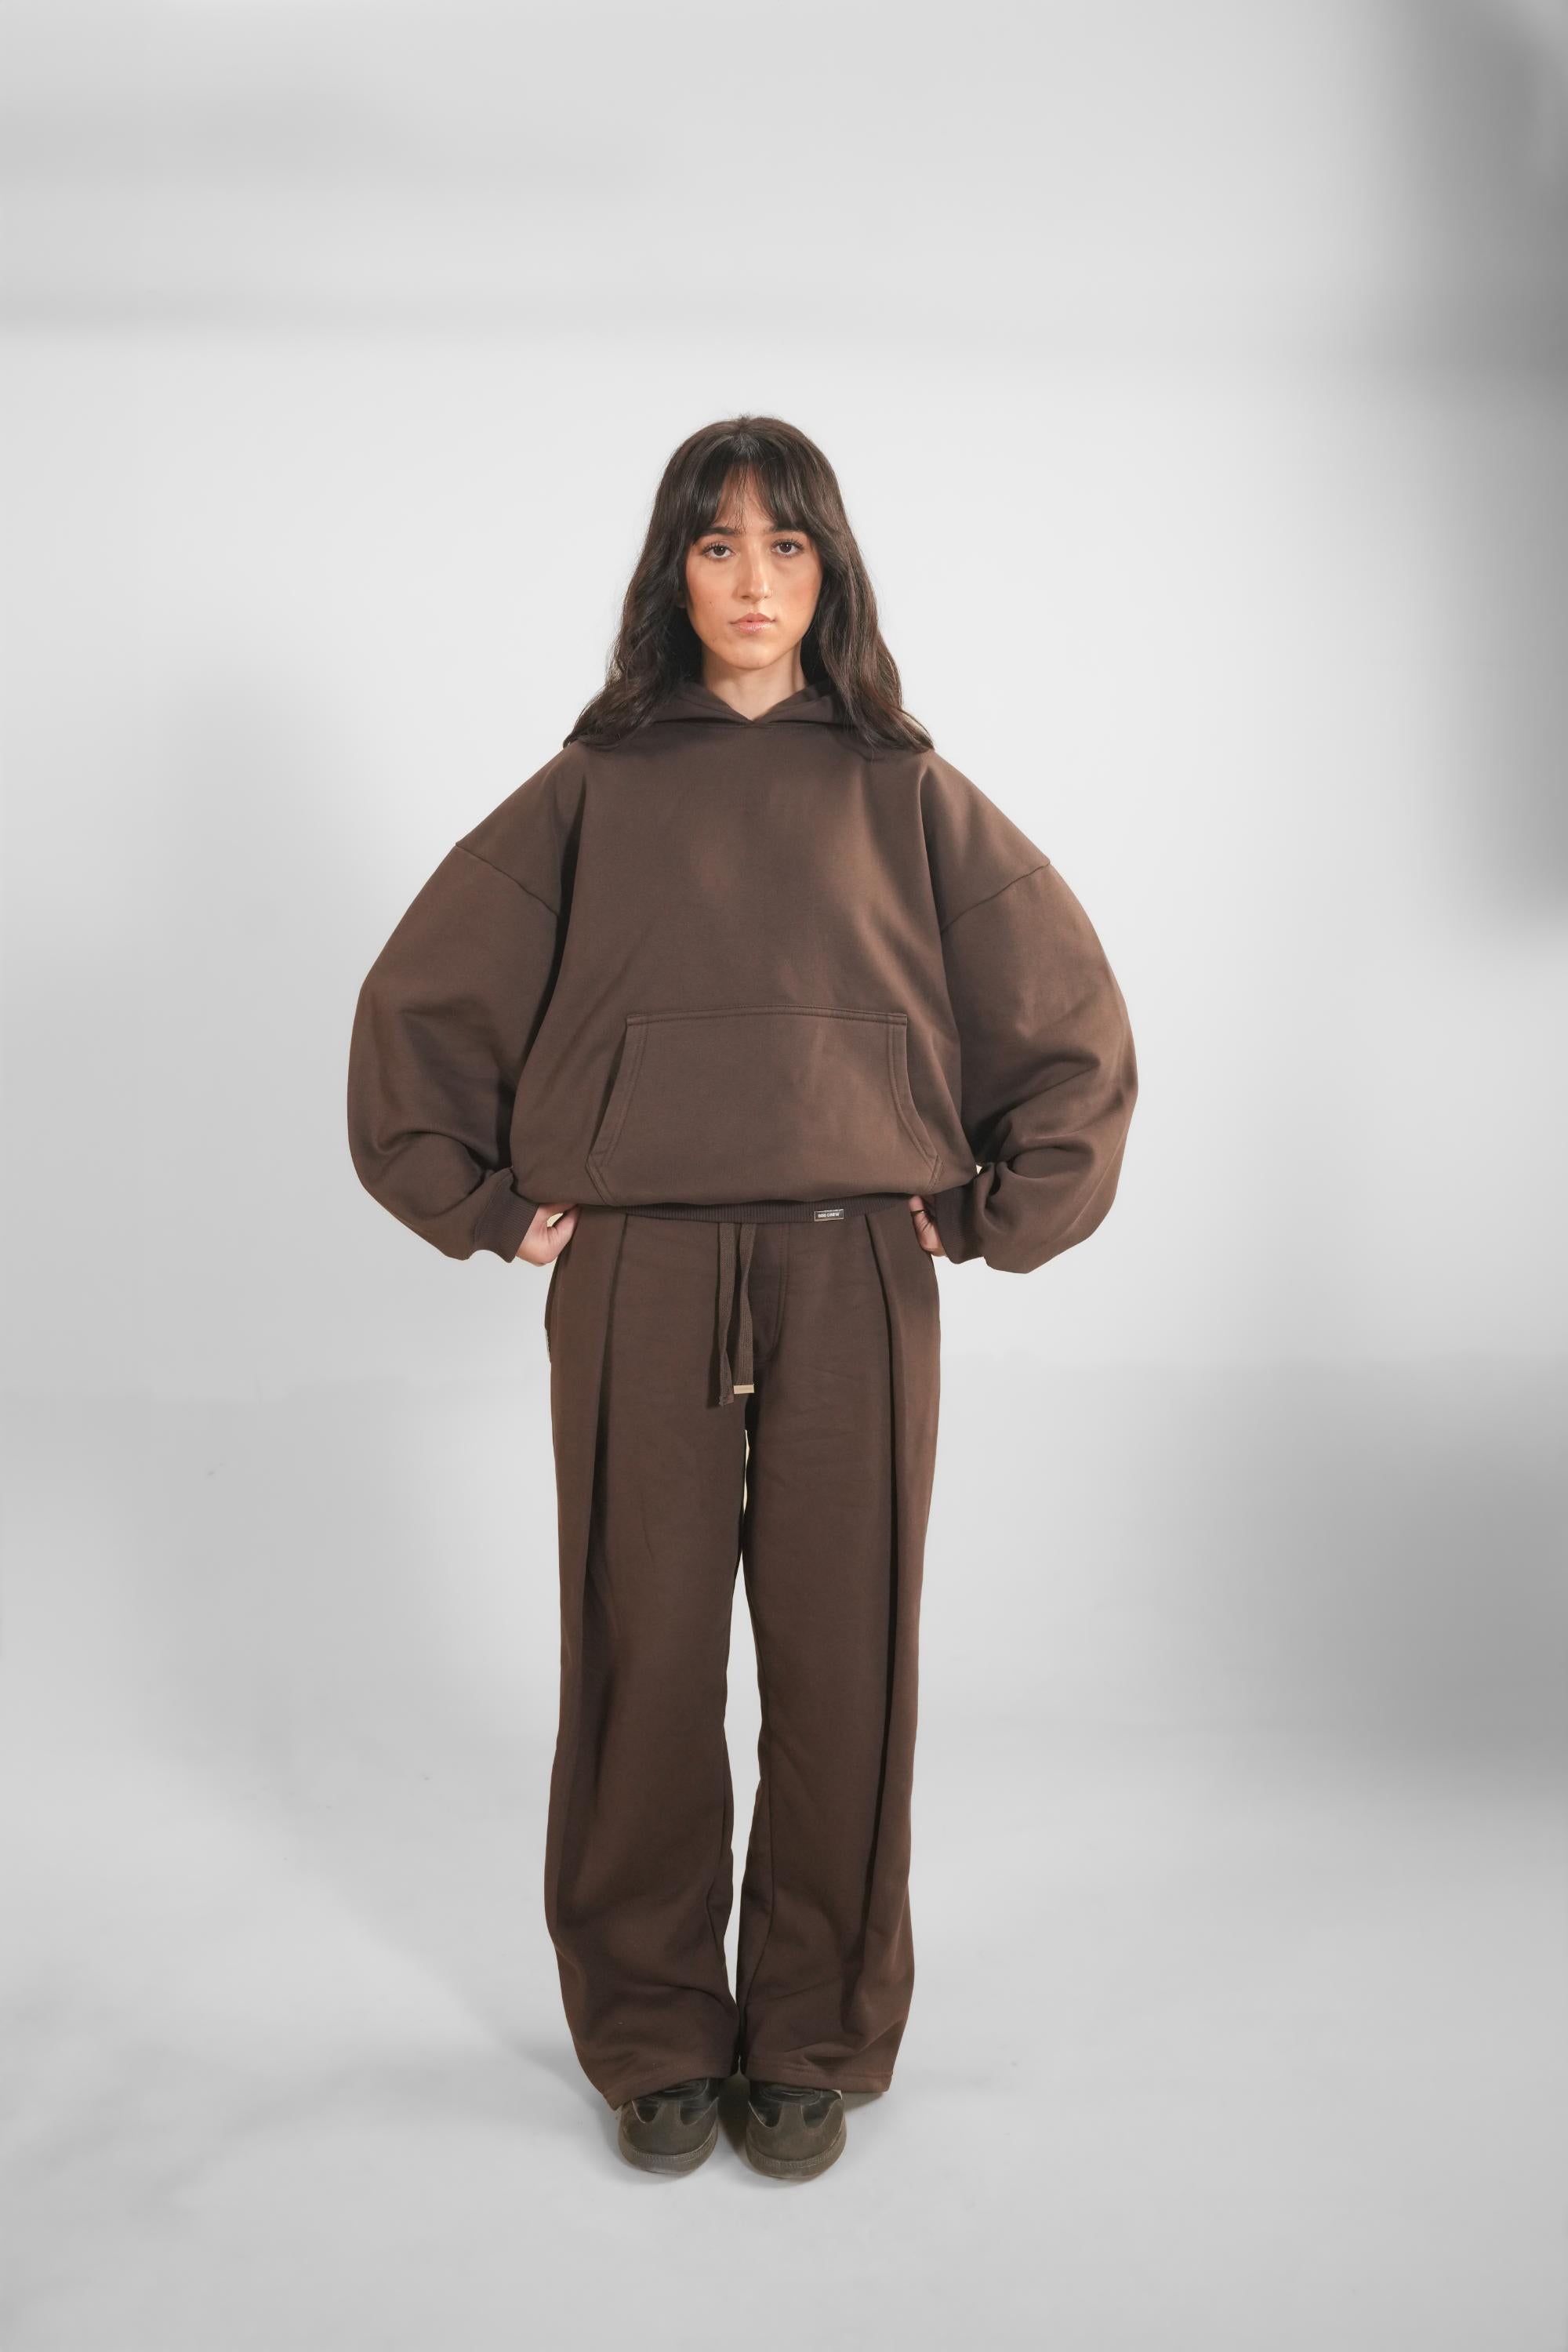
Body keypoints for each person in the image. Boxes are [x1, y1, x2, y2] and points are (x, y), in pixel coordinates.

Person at [346, 414, 1138, 2182]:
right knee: (641, 1653)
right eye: (718, 544)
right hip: (637, 1264)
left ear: (832, 571)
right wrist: (486, 1208)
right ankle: (650, 2034)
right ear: (672, 573)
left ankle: (815, 2032)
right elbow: (419, 1005)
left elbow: (1069, 1022)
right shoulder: (594, 786)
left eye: (787, 545)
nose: (754, 580)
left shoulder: (907, 789)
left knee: (846, 1658)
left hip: (860, 1260)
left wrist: (996, 1213)